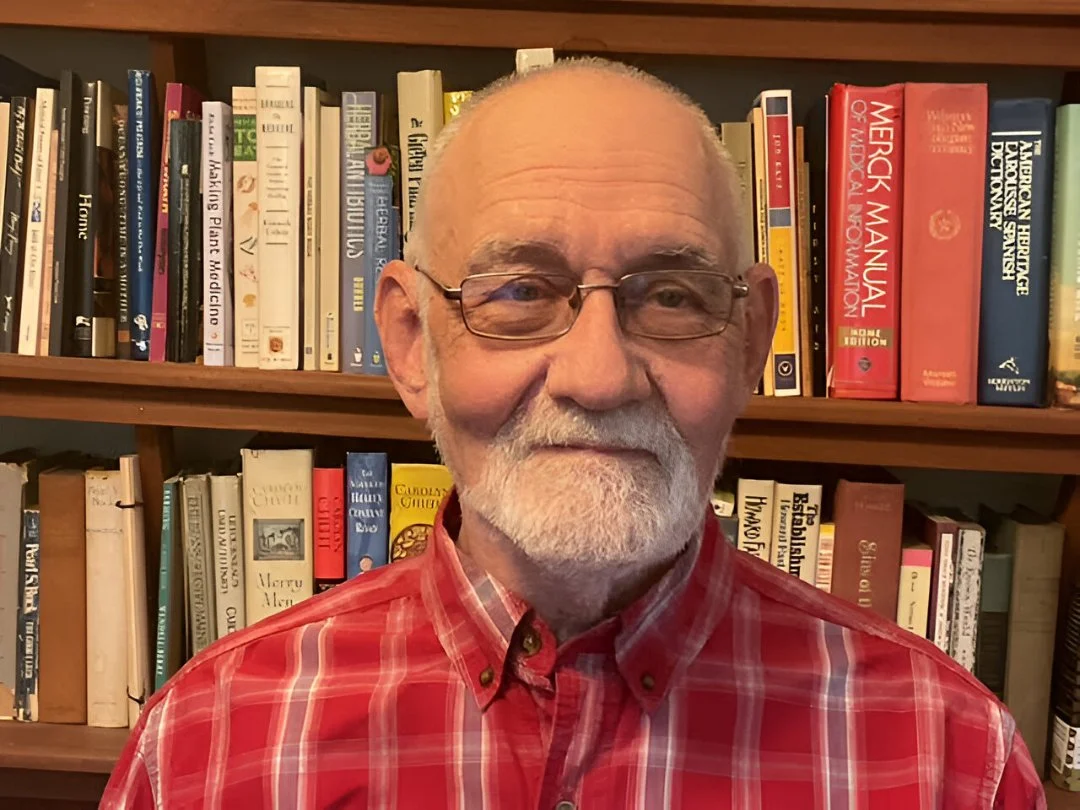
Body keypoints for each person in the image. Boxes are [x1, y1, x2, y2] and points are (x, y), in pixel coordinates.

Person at [101, 58, 1046, 809]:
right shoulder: (208, 747)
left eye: (671, 296)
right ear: (410, 344)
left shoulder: (950, 760)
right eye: (519, 293)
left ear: (751, 338)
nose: (598, 377)